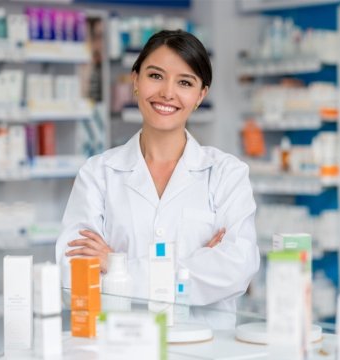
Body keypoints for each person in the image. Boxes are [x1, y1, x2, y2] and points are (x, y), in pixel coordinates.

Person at [56, 29, 260, 329]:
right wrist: (196, 263)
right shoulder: (98, 174)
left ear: (201, 95)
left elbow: (236, 270)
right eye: (155, 76)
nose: (167, 92)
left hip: (206, 348)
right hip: (120, 345)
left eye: (185, 83)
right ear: (135, 80)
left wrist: (117, 265)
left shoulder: (227, 174)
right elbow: (72, 281)